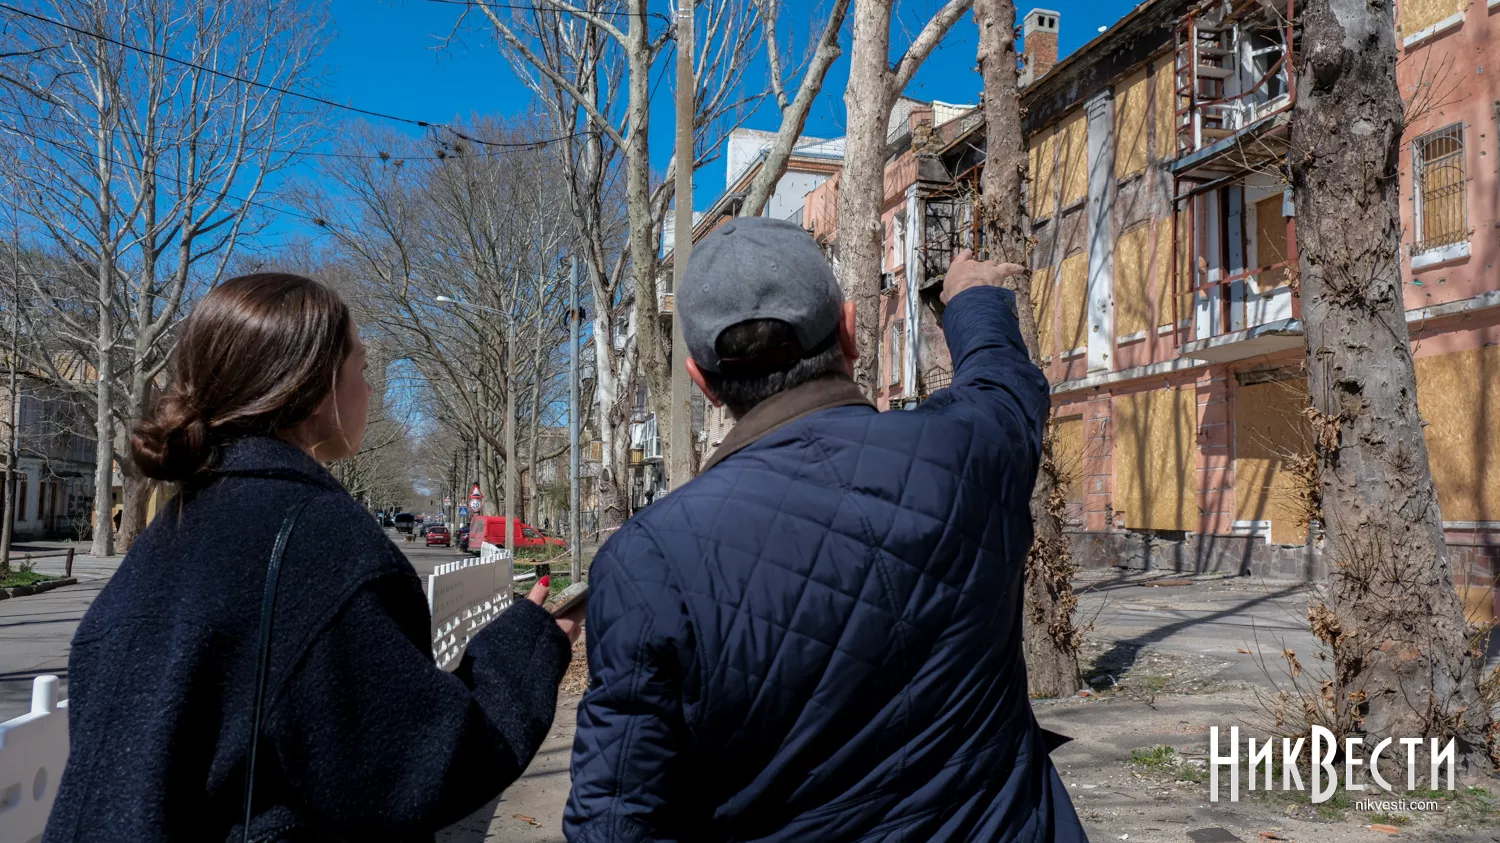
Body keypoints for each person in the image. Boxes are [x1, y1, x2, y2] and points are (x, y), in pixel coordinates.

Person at [564, 218, 1086, 841]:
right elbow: (1004, 384)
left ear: (702, 382)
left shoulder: (646, 560)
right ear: (849, 330)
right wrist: (971, 300)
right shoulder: (967, 451)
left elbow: (617, 822)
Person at [45, 273, 583, 843]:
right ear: (315, 387)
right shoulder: (318, 542)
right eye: (362, 369)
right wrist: (531, 642)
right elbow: (426, 766)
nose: (370, 391)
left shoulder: (170, 534)